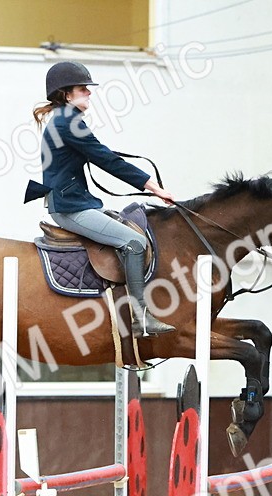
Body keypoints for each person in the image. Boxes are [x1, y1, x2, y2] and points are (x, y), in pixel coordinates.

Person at [24, 61, 176, 337]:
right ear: (67, 94)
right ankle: (140, 315)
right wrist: (154, 187)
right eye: (84, 89)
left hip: (74, 201)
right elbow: (107, 160)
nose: (89, 93)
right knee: (135, 242)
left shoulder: (63, 120)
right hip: (70, 208)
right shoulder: (68, 122)